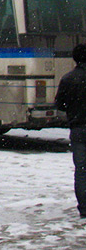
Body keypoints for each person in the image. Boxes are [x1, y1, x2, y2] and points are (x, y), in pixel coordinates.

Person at [54, 43, 86, 219]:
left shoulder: (68, 79)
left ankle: (84, 208)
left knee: (81, 170)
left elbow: (60, 104)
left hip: (78, 128)